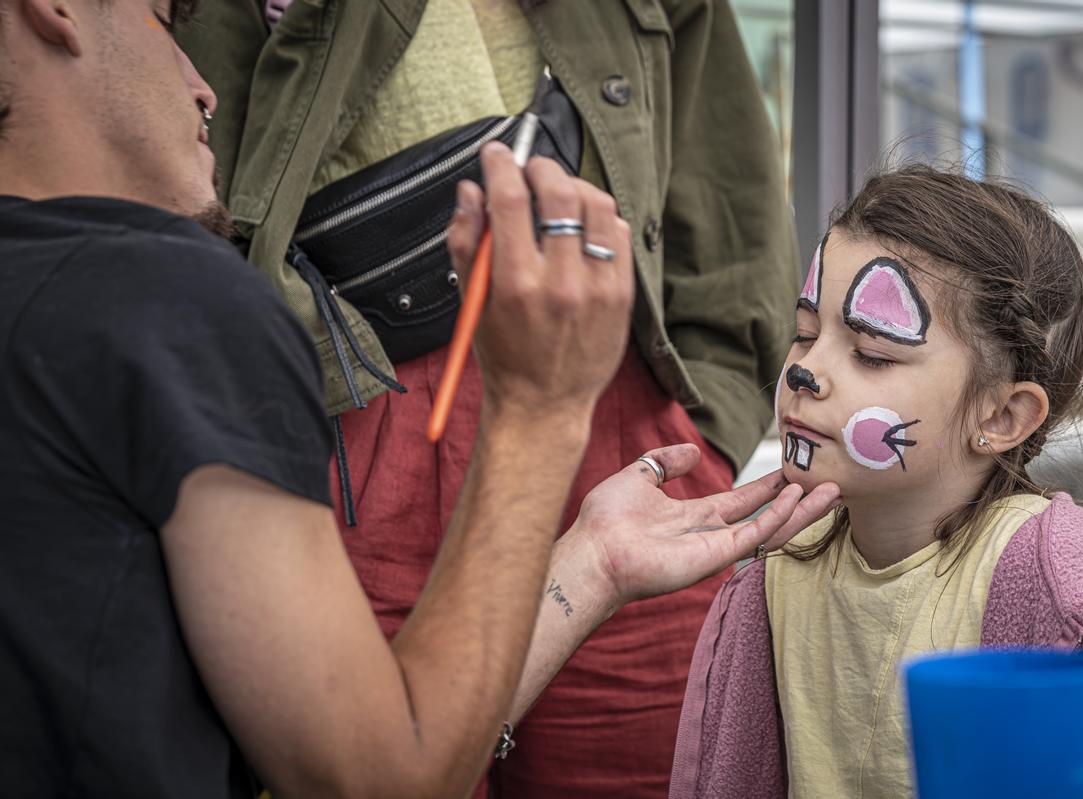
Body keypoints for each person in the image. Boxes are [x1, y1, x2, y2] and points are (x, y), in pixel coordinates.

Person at [0, 1, 841, 796]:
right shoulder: (176, 307)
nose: (203, 87)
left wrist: (685, 439)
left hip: (613, 432)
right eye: (162, 18)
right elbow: (379, 771)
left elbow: (727, 185)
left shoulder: (99, 307)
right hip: (363, 405)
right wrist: (542, 407)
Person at [669, 166, 1083, 799]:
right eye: (805, 333)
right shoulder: (774, 574)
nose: (806, 372)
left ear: (1000, 416)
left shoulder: (1068, 601)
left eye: (873, 354)